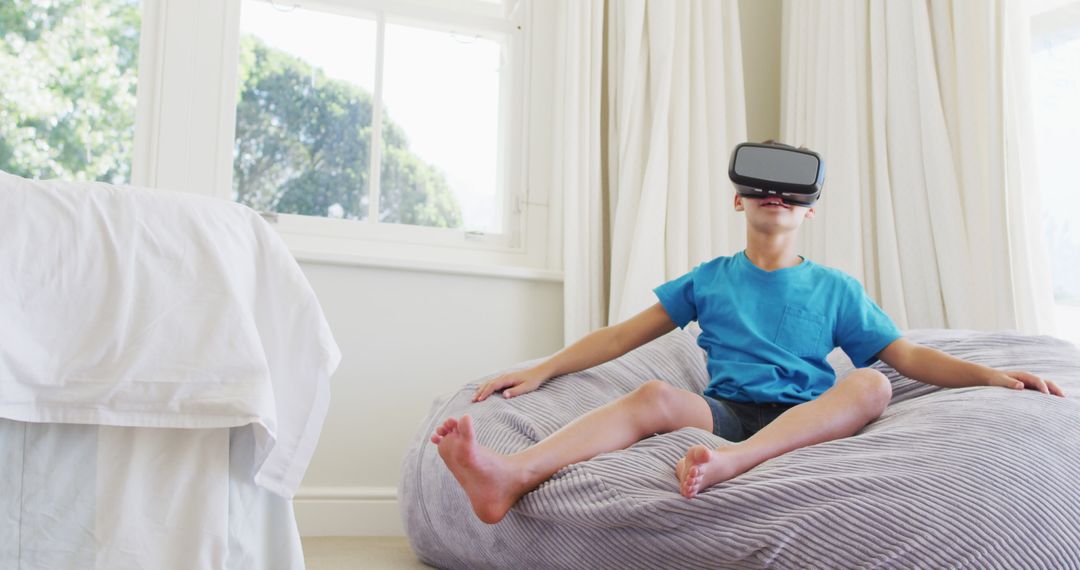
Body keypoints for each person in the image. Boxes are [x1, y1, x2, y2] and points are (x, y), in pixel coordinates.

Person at [429, 143, 1066, 525]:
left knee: (872, 382)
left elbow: (907, 355)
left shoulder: (836, 288)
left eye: (792, 193)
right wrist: (544, 369)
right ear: (740, 200)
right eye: (760, 187)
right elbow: (623, 336)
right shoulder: (709, 280)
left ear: (810, 207)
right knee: (652, 394)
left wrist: (991, 375)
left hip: (808, 414)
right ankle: (510, 474)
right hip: (727, 412)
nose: (776, 199)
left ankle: (734, 466)